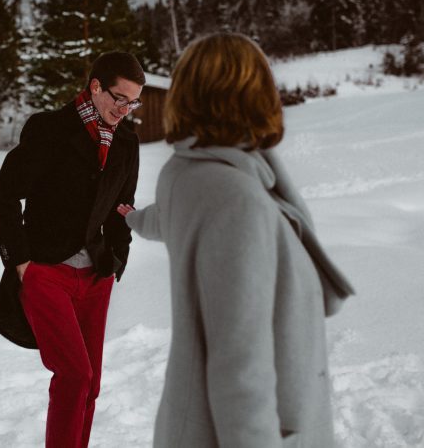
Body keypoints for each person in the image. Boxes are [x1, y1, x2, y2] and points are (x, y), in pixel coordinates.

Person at [121, 33, 354, 447]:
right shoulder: (238, 200)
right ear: (253, 94)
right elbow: (240, 368)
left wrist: (134, 220)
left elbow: (168, 219)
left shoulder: (186, 173)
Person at [0, 51, 145, 448]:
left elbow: (120, 208)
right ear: (95, 87)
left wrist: (117, 261)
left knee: (90, 384)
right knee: (74, 375)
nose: (125, 109)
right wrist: (22, 263)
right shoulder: (49, 130)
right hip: (46, 272)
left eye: (134, 101)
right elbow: (5, 195)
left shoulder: (126, 143)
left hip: (96, 275)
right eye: (119, 98)